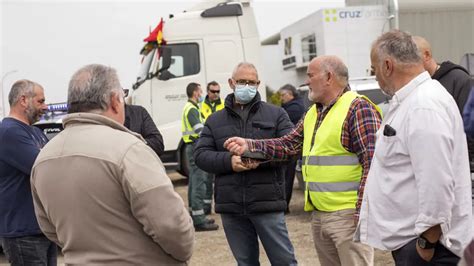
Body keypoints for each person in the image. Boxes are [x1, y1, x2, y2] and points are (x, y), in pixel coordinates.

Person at [224, 56, 381, 266]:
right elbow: (288, 145)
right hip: (321, 215)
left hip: (348, 216)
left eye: (310, 75)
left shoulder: (357, 108)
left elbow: (373, 165)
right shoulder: (314, 113)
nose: (306, 82)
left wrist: (363, 214)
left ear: (328, 77)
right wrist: (250, 146)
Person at [30, 64, 194, 264]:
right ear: (116, 101)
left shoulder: (43, 159)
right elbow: (172, 227)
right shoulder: (129, 150)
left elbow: (50, 228)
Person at [355, 30, 473, 265]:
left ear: (387, 65)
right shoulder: (413, 100)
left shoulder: (423, 106)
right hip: (418, 242)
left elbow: (436, 182)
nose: (376, 77)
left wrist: (426, 243)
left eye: (373, 69)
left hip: (430, 248)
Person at [194, 62, 298, 265]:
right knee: (246, 263)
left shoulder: (276, 114)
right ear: (231, 83)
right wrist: (228, 161)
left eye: (251, 82)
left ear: (258, 84)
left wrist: (254, 155)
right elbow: (200, 155)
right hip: (232, 207)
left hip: (267, 203)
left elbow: (291, 149)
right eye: (242, 81)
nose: (247, 86)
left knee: (284, 261)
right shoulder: (214, 121)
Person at [0, 79, 57, 265]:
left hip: (42, 228)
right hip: (23, 232)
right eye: (40, 101)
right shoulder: (9, 132)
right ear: (23, 100)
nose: (46, 107)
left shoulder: (35, 132)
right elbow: (44, 167)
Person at [413, 36, 474, 171]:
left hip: (455, 166)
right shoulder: (415, 85)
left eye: (413, 60)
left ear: (427, 55)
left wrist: (462, 163)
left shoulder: (459, 80)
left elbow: (468, 126)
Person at [182, 82, 218, 231]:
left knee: (194, 180)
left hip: (191, 146)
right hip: (195, 146)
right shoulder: (192, 109)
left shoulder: (190, 107)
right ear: (195, 93)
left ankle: (194, 214)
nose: (202, 93)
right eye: (200, 91)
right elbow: (200, 130)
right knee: (199, 182)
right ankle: (199, 219)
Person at [278, 84, 305, 212]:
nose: (281, 98)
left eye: (283, 95)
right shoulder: (293, 106)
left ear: (290, 94)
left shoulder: (294, 108)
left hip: (291, 148)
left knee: (287, 178)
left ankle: (284, 206)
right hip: (292, 147)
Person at [200, 81, 225, 215]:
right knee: (206, 178)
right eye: (213, 91)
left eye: (218, 91)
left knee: (221, 179)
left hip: (222, 145)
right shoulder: (200, 106)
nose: (216, 94)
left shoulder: (224, 105)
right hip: (209, 144)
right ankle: (206, 207)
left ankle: (221, 205)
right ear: (207, 92)